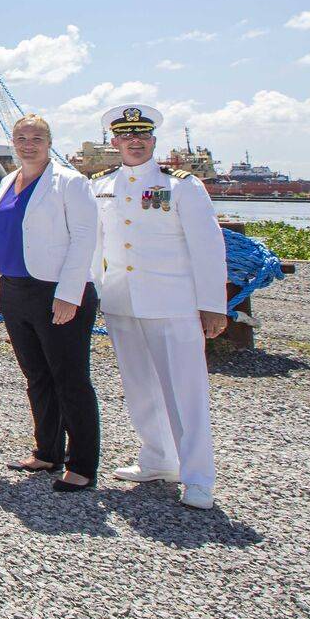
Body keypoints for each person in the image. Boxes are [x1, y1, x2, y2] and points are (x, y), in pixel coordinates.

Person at [89, 104, 228, 510]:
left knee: (185, 392)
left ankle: (198, 476)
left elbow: (207, 246)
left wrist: (212, 305)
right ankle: (157, 457)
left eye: (142, 135)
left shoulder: (182, 185)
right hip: (121, 299)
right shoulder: (101, 185)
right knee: (139, 387)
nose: (135, 141)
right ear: (113, 142)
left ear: (153, 140)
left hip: (172, 302)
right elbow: (96, 245)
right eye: (126, 135)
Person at [0, 113, 101, 492]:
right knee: (36, 376)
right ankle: (47, 451)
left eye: (36, 138)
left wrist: (69, 294)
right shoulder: (8, 181)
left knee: (70, 379)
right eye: (21, 137)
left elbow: (84, 237)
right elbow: (0, 236)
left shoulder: (70, 182)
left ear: (49, 142)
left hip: (56, 291)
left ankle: (82, 464)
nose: (28, 144)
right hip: (16, 289)